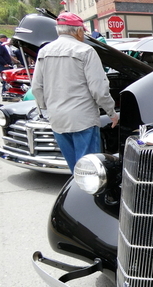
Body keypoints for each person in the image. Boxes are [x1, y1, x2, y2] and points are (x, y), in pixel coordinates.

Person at [32, 12, 119, 172]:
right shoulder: (85, 51)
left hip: (57, 119)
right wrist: (111, 112)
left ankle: (77, 193)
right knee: (89, 168)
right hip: (82, 118)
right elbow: (98, 89)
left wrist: (44, 109)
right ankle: (87, 197)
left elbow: (37, 86)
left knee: (74, 168)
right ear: (78, 31)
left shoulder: (44, 52)